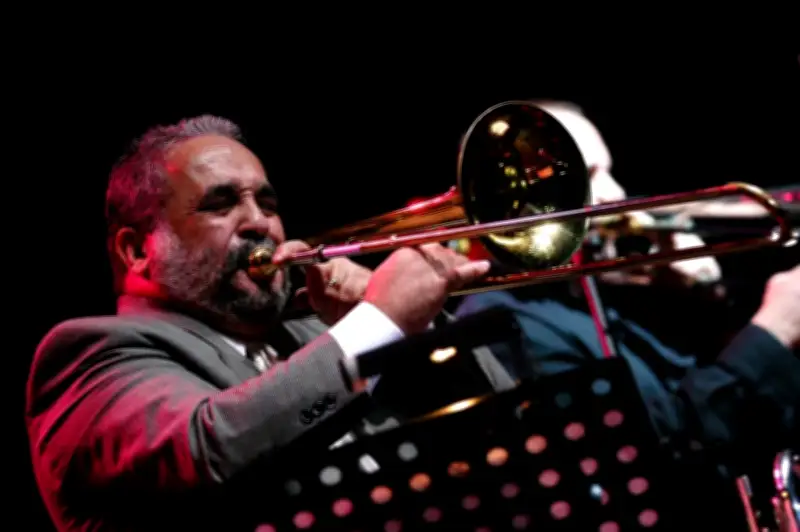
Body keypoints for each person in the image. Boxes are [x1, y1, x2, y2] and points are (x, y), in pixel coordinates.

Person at [25, 115, 514, 531]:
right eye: (220, 204)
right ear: (137, 250)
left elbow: (510, 419)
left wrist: (412, 330)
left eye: (268, 203)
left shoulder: (326, 331)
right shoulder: (89, 356)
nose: (260, 222)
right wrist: (379, 320)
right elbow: (209, 449)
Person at [455, 101, 800, 528]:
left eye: (609, 171)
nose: (616, 193)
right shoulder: (502, 326)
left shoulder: (611, 285)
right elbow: (656, 459)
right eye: (589, 175)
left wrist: (698, 297)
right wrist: (773, 331)